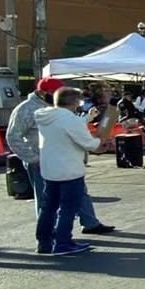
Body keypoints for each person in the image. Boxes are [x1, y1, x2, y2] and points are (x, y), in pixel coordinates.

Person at [6, 76, 115, 234]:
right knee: (48, 201)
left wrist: (87, 118)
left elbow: (68, 125)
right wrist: (32, 158)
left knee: (76, 193)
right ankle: (52, 233)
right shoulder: (26, 109)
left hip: (63, 159)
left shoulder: (54, 110)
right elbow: (13, 136)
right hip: (41, 161)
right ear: (43, 93)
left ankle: (89, 222)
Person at [35, 87, 104, 255]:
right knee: (68, 208)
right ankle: (63, 242)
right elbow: (87, 142)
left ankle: (44, 243)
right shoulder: (69, 120)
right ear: (73, 102)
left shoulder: (46, 116)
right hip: (69, 169)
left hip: (50, 169)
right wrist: (100, 142)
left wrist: (87, 118)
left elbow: (67, 125)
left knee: (48, 208)